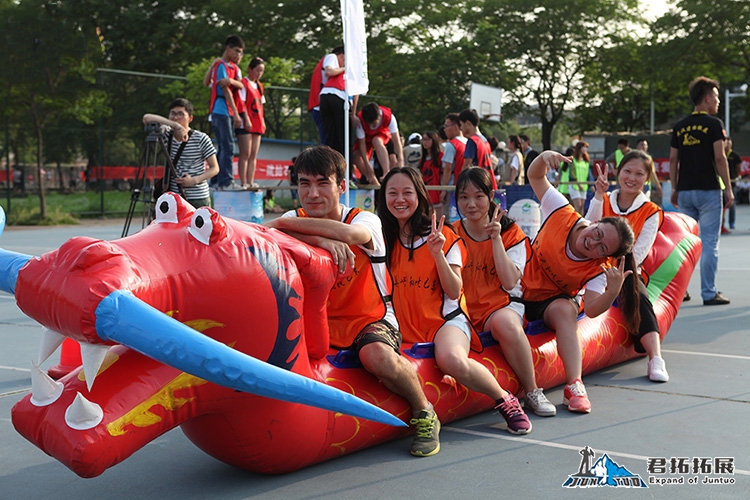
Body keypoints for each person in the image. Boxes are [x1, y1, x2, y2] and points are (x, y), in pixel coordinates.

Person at [264, 146, 441, 457]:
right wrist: (320, 240)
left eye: (323, 183)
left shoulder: (366, 219)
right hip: (316, 323)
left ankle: (424, 410)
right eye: (305, 183)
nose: (313, 193)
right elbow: (266, 231)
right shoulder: (295, 217)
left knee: (378, 358)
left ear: (341, 186)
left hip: (370, 317)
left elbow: (353, 235)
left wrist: (290, 229)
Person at [377, 167, 532, 435]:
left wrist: (436, 254)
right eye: (393, 193)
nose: (399, 199)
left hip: (444, 322)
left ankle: (505, 399)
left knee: (452, 361)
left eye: (407, 193)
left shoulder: (442, 234)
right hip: (403, 326)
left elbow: (454, 290)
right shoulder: (382, 238)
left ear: (420, 196)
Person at [522, 151, 637, 413]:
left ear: (606, 256)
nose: (592, 242)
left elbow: (593, 309)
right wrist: (544, 157)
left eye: (601, 247)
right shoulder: (561, 210)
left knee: (566, 310)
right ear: (595, 221)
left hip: (549, 302)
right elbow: (534, 175)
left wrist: (613, 291)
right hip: (517, 285)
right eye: (597, 234)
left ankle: (574, 384)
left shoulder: (598, 270)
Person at [454, 167, 556, 416]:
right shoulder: (451, 232)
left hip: (499, 305)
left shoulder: (511, 232)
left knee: (507, 325)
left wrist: (496, 239)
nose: (471, 204)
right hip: (461, 310)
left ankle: (532, 389)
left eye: (478, 196)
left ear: (491, 197)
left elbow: (510, 281)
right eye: (463, 197)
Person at [586, 150, 669, 382]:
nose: (632, 178)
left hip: (626, 269)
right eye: (627, 171)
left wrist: (615, 274)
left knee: (638, 293)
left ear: (648, 178)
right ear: (618, 172)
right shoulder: (604, 199)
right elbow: (588, 226)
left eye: (639, 174)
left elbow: (639, 253)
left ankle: (655, 357)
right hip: (593, 266)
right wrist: (598, 195)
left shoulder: (651, 211)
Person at [669, 76, 734, 306]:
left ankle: (680, 291)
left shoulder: (680, 126)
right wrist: (727, 187)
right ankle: (709, 292)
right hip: (708, 191)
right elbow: (719, 157)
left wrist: (675, 188)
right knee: (708, 242)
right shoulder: (715, 124)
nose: (717, 101)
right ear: (707, 98)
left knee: (685, 242)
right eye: (715, 97)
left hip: (685, 191)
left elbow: (673, 159)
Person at [142, 98, 219, 209]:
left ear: (190, 118)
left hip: (197, 197)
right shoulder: (166, 133)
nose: (176, 117)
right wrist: (175, 125)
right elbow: (146, 118)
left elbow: (215, 168)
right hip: (174, 197)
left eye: (181, 114)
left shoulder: (201, 138)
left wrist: (194, 180)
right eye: (173, 114)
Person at [207, 35, 245, 191]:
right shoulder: (221, 66)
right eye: (236, 51)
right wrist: (236, 114)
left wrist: (230, 81)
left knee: (223, 147)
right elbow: (226, 91)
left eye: (241, 53)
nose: (239, 55)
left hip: (227, 110)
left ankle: (215, 181)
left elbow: (240, 85)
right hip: (221, 110)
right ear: (228, 48)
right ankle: (226, 181)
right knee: (228, 146)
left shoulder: (233, 68)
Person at [319, 46, 358, 159]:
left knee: (332, 138)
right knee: (344, 138)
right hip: (340, 97)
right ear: (341, 56)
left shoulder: (340, 73)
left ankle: (333, 167)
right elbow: (356, 94)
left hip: (324, 97)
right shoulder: (345, 69)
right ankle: (346, 170)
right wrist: (353, 113)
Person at [354, 102, 404, 184]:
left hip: (381, 134)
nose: (372, 126)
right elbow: (362, 144)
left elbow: (396, 140)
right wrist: (368, 167)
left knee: (376, 140)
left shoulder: (389, 117)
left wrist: (400, 160)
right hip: (366, 138)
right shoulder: (360, 119)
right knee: (356, 155)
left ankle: (386, 172)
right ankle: (372, 179)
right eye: (369, 124)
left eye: (374, 124)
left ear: (379, 116)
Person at [236, 57, 266, 189]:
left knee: (254, 154)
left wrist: (263, 121)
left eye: (261, 71)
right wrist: (246, 119)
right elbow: (241, 103)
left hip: (257, 122)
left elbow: (261, 105)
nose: (259, 73)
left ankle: (250, 181)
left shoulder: (259, 86)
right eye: (257, 70)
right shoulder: (243, 83)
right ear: (250, 69)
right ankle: (243, 182)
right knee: (245, 153)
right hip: (246, 122)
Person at [458, 109, 497, 189]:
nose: (461, 128)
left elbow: (467, 165)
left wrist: (460, 183)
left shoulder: (472, 141)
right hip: (488, 181)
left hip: (477, 183)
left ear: (468, 123)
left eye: (461, 124)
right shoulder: (485, 141)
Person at [439, 113, 468, 211]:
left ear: (455, 127)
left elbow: (447, 168)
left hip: (452, 188)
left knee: (449, 220)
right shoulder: (468, 142)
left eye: (446, 126)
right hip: (466, 186)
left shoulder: (451, 145)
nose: (444, 129)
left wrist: (443, 190)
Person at [418, 131, 444, 219]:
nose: (424, 142)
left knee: (439, 222)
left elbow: (444, 175)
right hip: (426, 194)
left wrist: (443, 191)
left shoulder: (440, 156)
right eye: (423, 139)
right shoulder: (423, 159)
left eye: (427, 139)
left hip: (437, 193)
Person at [635, 138, 663, 204]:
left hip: (645, 186)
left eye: (645, 145)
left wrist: (658, 186)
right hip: (635, 185)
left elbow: (652, 173)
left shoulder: (648, 158)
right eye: (641, 145)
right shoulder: (632, 158)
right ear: (637, 147)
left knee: (645, 205)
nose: (644, 147)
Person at [724, 137, 742, 231]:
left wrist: (736, 177)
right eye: (726, 143)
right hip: (720, 182)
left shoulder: (735, 155)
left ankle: (732, 222)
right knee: (721, 205)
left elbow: (739, 168)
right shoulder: (719, 154)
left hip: (732, 182)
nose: (728, 145)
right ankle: (721, 224)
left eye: (729, 144)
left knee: (732, 203)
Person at [569, 141, 591, 215]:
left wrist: (591, 185)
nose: (585, 149)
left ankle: (581, 224)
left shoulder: (586, 161)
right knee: (577, 207)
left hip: (584, 186)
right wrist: (578, 184)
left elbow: (588, 174)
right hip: (575, 186)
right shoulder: (573, 160)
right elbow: (572, 173)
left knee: (582, 208)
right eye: (584, 147)